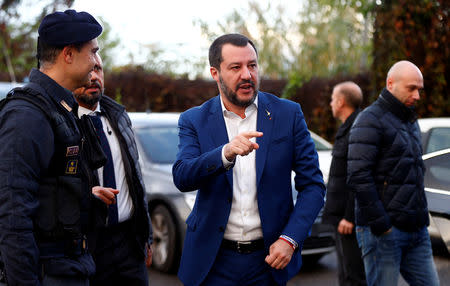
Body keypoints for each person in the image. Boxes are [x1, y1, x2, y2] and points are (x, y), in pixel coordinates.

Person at [172, 33, 326, 286]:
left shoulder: (288, 114)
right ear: (215, 73)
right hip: (212, 262)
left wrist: (291, 238)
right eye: (236, 67)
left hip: (268, 261)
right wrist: (225, 153)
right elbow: (183, 176)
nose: (247, 75)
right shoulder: (194, 120)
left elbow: (313, 186)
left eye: (252, 65)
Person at [0, 9, 102, 286]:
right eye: (92, 52)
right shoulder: (27, 115)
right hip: (47, 274)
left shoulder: (59, 107)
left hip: (69, 268)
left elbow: (50, 189)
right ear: (68, 54)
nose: (96, 62)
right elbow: (12, 214)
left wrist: (84, 195)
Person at [347, 60, 440, 286]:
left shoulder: (409, 120)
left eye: (419, 89)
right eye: (411, 88)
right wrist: (382, 225)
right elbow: (358, 175)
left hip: (417, 230)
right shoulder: (369, 120)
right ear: (391, 84)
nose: (417, 95)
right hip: (384, 233)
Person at [73, 56, 153, 286]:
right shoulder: (63, 123)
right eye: (88, 70)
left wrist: (145, 235)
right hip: (88, 244)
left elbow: (136, 179)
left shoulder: (118, 116)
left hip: (129, 242)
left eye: (98, 68)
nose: (94, 77)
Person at [322, 82, 366, 286]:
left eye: (332, 99)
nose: (331, 103)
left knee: (353, 275)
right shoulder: (348, 126)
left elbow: (358, 175)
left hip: (347, 220)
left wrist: (349, 216)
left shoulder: (357, 129)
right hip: (340, 217)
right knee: (345, 273)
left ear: (341, 102)